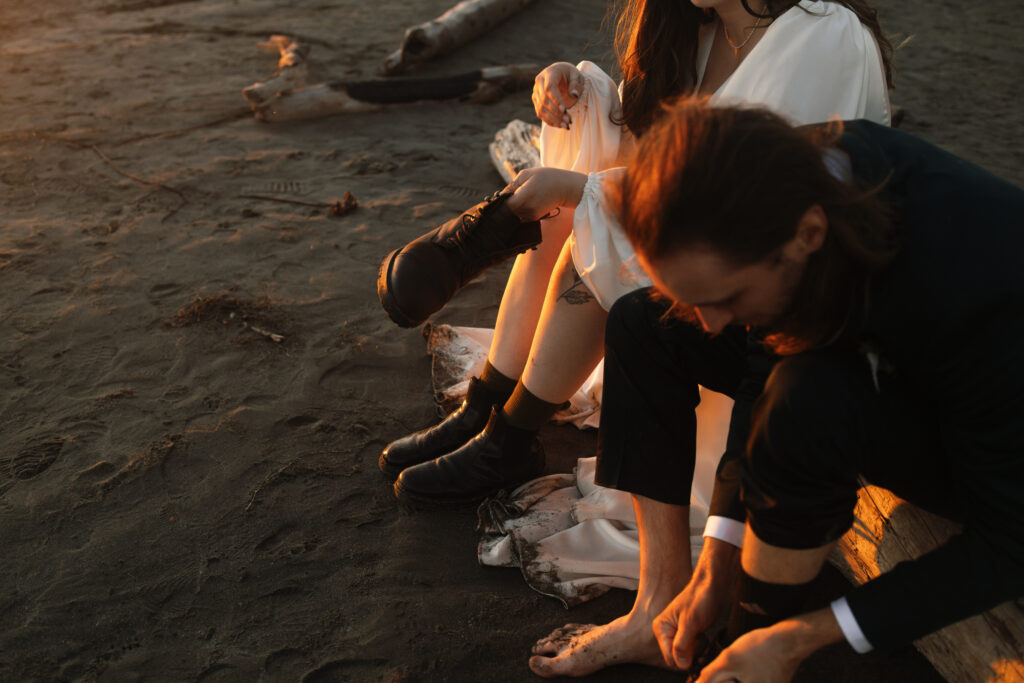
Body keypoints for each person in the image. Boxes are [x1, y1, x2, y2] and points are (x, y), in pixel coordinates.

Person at [575, 100, 1024, 682]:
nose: (713, 323)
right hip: (904, 356)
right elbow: (766, 348)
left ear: (809, 234)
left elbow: (1010, 542)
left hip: (993, 429)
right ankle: (663, 598)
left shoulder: (975, 291)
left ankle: (751, 643)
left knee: (806, 401)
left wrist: (801, 638)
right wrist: (720, 549)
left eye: (728, 299)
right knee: (646, 323)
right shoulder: (789, 177)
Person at [384, 0, 893, 512]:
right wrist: (582, 99)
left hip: (776, 294)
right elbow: (645, 149)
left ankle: (509, 440)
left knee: (601, 221)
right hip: (706, 258)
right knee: (568, 212)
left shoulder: (826, 36)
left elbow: (752, 203)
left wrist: (586, 190)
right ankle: (487, 405)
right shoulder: (702, 28)